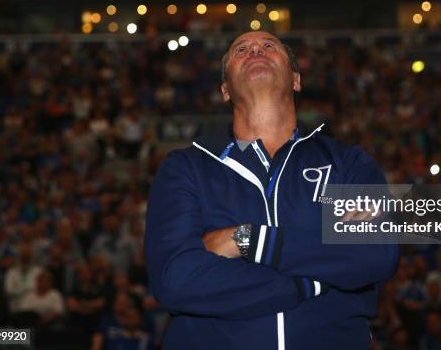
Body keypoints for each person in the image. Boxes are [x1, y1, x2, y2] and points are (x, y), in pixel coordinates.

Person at [144, 31, 399, 349]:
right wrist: (310, 284)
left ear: (296, 79)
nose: (255, 51)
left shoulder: (347, 163)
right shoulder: (185, 168)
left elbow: (374, 253)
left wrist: (248, 240)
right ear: (225, 90)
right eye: (241, 49)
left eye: (268, 46)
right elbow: (176, 281)